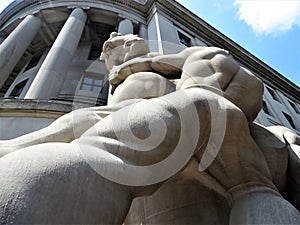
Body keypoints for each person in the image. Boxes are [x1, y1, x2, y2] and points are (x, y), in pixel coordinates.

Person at [0, 32, 299, 224]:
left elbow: (222, 85)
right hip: (145, 146)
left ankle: (255, 193)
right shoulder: (124, 86)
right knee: (77, 125)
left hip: (200, 130)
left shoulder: (175, 63)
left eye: (120, 52)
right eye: (114, 61)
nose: (116, 64)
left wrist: (156, 65)